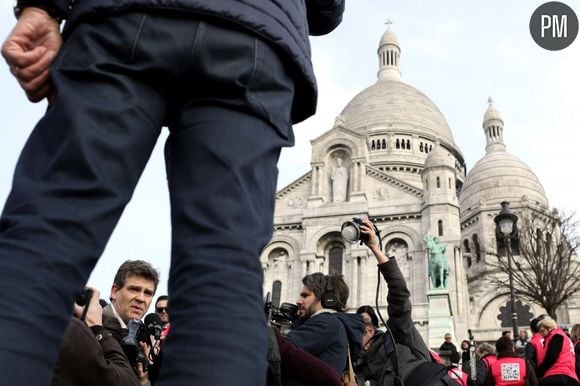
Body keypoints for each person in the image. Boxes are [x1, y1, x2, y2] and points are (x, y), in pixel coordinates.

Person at [0, 1, 345, 385]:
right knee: (222, 273)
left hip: (120, 19)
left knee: (47, 234)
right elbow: (326, 10)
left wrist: (43, 6)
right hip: (253, 39)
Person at [353, 219, 466, 386]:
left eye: (353, 333)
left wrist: (375, 248)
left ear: (369, 330)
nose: (349, 340)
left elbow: (399, 295)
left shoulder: (398, 335)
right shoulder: (356, 370)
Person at [283, 272, 364, 386]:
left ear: (326, 298)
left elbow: (281, 349)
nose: (298, 301)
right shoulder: (331, 323)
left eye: (305, 295)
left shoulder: (327, 323)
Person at [51, 287, 140, 386]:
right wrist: (97, 328)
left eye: (148, 293)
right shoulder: (71, 329)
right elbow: (129, 382)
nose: (140, 298)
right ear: (115, 292)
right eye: (134, 289)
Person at [535, 316, 579, 386]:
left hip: (557, 374)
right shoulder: (563, 336)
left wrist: (539, 373)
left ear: (549, 328)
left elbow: (551, 357)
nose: (540, 334)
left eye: (542, 331)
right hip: (570, 376)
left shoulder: (556, 336)